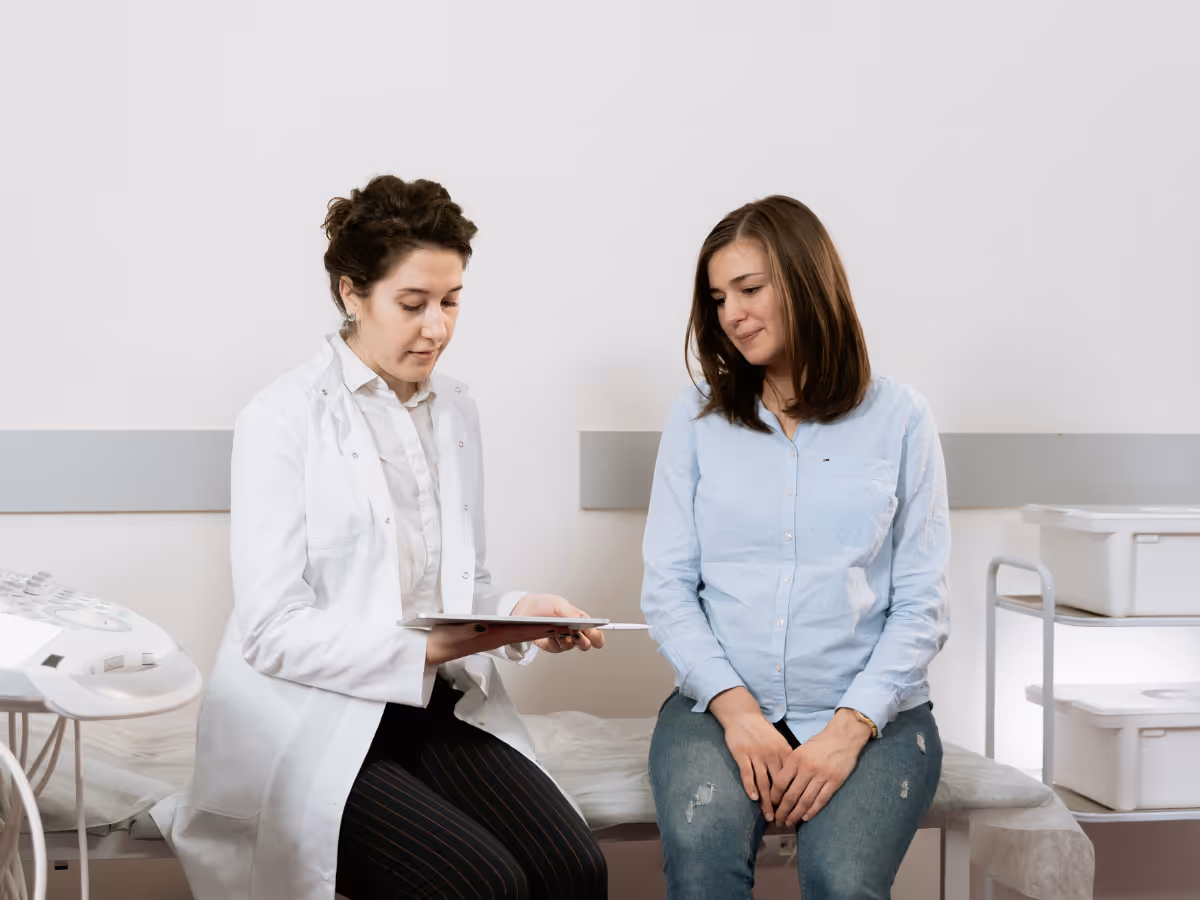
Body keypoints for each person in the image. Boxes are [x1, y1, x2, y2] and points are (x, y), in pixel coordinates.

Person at [160, 176, 608, 900]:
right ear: (350, 294)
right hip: (312, 721)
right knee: (478, 885)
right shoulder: (281, 419)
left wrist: (525, 612)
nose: (438, 327)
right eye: (413, 304)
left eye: (452, 300)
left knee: (575, 869)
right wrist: (426, 647)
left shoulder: (456, 411)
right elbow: (271, 631)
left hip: (431, 705)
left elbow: (466, 587)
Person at [642, 196, 950, 899]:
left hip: (872, 712)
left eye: (750, 290)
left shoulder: (901, 418)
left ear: (808, 282)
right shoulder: (695, 421)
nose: (732, 314)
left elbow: (923, 602)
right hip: (719, 709)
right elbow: (667, 588)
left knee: (841, 882)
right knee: (703, 870)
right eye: (719, 298)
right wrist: (739, 713)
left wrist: (849, 730)